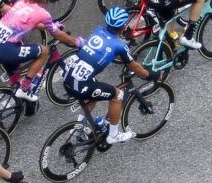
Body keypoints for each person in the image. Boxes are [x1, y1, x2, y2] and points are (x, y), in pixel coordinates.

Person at [60, 7, 155, 144]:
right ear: (123, 26)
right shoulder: (120, 46)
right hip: (81, 85)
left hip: (68, 78)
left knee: (91, 98)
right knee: (118, 95)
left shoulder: (97, 30)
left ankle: (77, 130)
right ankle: (113, 135)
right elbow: (134, 67)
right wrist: (149, 75)